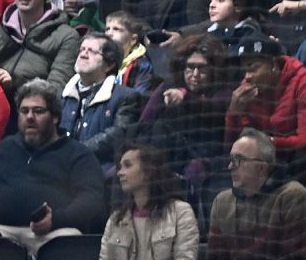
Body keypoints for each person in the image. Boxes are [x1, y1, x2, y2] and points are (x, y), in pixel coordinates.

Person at [0, 79, 107, 254]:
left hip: (55, 233)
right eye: (24, 111)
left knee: (69, 242)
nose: (30, 117)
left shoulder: (77, 153)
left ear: (55, 117)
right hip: (3, 232)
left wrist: (56, 219)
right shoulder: (5, 148)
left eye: (38, 111)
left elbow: (91, 198)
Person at [223, 33, 306, 175]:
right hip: (267, 161)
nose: (247, 77)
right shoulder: (247, 89)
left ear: (273, 64)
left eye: (253, 68)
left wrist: (267, 143)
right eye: (244, 71)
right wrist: (234, 113)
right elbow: (234, 144)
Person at [206, 128, 306, 260]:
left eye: (239, 159)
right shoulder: (222, 202)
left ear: (261, 168)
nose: (230, 166)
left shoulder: (292, 197)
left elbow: (300, 257)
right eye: (231, 159)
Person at [137, 34, 234, 183]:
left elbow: (213, 108)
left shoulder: (224, 92)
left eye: (202, 68)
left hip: (206, 161)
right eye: (190, 67)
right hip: (166, 157)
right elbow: (145, 123)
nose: (195, 75)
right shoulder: (169, 86)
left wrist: (185, 96)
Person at [100, 144, 199, 260]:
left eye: (127, 165)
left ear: (148, 172)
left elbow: (185, 257)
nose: (119, 173)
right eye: (120, 167)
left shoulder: (180, 213)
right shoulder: (116, 220)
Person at [59, 31, 143, 165]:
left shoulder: (125, 97)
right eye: (82, 49)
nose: (83, 54)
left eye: (92, 51)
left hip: (98, 168)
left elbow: (118, 135)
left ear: (109, 65)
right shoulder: (62, 95)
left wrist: (76, 152)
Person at [194, 0, 263, 48]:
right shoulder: (206, 36)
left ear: (238, 6)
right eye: (211, 0)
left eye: (220, 0)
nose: (211, 5)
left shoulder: (252, 38)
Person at [104, 10, 157, 93]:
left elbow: (138, 96)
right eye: (107, 29)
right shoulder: (102, 60)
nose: (109, 33)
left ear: (133, 39)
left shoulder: (142, 65)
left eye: (116, 29)